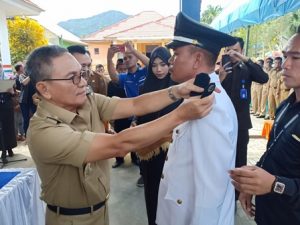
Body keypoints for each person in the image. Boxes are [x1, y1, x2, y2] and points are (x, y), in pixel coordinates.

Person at [25, 45, 215, 225]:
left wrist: (177, 91)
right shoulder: (43, 131)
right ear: (44, 89)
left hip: (101, 211)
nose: (83, 82)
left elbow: (135, 105)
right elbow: (119, 144)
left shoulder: (88, 101)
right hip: (70, 219)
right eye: (72, 77)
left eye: (83, 73)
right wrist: (180, 115)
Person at [156, 12, 238, 225]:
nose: (170, 61)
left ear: (197, 59)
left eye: (176, 54)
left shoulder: (210, 104)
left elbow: (209, 190)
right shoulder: (198, 94)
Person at [229, 28, 300, 225]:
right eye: (285, 57)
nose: (286, 65)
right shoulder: (286, 105)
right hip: (269, 212)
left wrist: (275, 185)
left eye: (296, 57)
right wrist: (252, 182)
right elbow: (273, 150)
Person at [136, 46, 181, 225]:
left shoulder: (179, 88)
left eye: (163, 64)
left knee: (172, 194)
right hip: (151, 152)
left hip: (175, 152)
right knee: (153, 192)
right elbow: (140, 118)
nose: (159, 69)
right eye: (154, 65)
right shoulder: (144, 88)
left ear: (170, 64)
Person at [219, 37, 268, 180]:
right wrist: (220, 77)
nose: (232, 53)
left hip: (241, 124)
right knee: (222, 159)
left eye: (236, 50)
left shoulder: (247, 69)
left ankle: (238, 192)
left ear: (242, 51)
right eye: (229, 50)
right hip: (222, 123)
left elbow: (263, 78)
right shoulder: (220, 71)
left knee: (240, 160)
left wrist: (245, 59)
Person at [107, 42, 149, 185]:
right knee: (135, 141)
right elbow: (113, 77)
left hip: (147, 112)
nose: (127, 60)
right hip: (132, 113)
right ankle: (141, 170)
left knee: (146, 144)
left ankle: (144, 173)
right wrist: (109, 57)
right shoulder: (124, 77)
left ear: (137, 58)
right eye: (125, 58)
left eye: (130, 57)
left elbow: (150, 64)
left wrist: (134, 51)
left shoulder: (144, 72)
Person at [0, 62, 17, 162]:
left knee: (8, 127)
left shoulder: (7, 78)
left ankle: (9, 148)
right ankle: (3, 150)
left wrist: (11, 92)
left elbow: (14, 94)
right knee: (0, 129)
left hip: (7, 107)